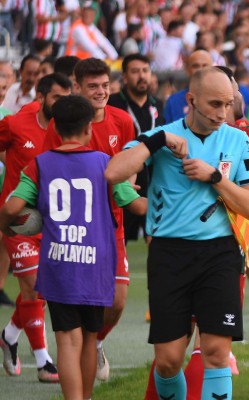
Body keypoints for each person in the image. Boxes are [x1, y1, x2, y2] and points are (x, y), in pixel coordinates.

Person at [105, 66, 249, 400]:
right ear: (191, 100)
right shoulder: (163, 135)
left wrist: (215, 178)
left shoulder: (239, 139)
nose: (223, 113)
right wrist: (157, 141)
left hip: (220, 254)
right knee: (168, 361)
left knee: (216, 353)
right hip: (169, 255)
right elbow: (114, 172)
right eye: (215, 104)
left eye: (228, 104)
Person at [0, 94, 146, 400]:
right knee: (90, 337)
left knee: (67, 340)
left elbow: (12, 208)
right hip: (96, 263)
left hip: (59, 264)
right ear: (89, 129)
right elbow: (134, 205)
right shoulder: (106, 164)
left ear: (55, 128)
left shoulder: (39, 165)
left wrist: (5, 226)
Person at [43, 57, 136, 382]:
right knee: (71, 311)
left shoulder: (122, 121)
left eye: (105, 85)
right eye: (93, 86)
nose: (101, 92)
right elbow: (49, 166)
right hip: (73, 229)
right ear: (77, 87)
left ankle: (95, 343)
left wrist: (128, 186)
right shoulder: (61, 124)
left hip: (111, 226)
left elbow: (130, 162)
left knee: (118, 301)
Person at [0, 73, 71, 383]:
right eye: (57, 97)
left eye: (66, 97)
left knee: (41, 291)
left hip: (54, 222)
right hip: (19, 220)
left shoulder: (69, 129)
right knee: (32, 285)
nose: (63, 104)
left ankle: (9, 335)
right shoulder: (17, 123)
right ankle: (44, 362)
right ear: (41, 98)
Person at [108, 53, 164, 243]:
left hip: (154, 180)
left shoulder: (158, 105)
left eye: (145, 71)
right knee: (117, 239)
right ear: (124, 77)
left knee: (157, 241)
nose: (141, 76)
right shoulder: (113, 104)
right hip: (124, 179)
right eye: (135, 71)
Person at [163, 49, 213, 123]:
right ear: (187, 70)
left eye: (205, 66)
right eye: (196, 66)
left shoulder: (222, 99)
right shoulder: (174, 101)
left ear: (212, 70)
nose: (200, 70)